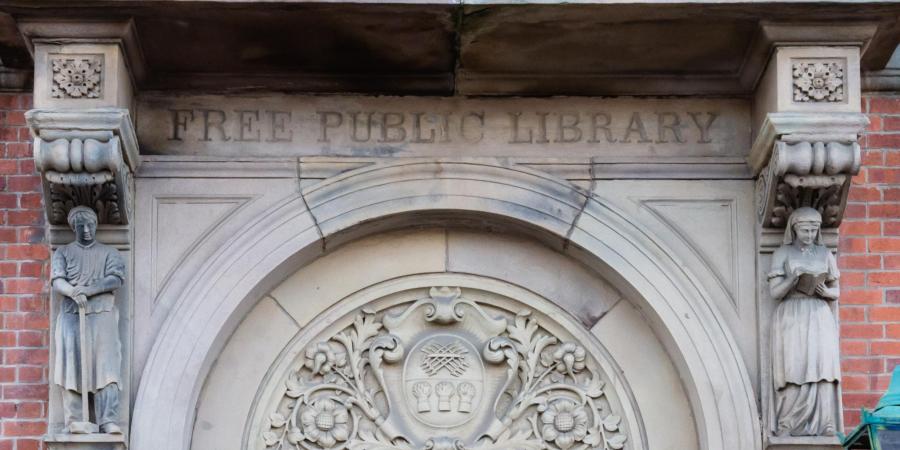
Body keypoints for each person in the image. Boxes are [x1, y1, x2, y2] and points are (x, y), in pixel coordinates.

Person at [768, 207, 841, 436]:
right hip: (792, 314)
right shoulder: (782, 254)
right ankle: (789, 422)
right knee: (794, 366)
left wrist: (826, 292)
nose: (810, 235)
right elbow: (774, 292)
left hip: (819, 314)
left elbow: (836, 290)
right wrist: (791, 280)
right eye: (805, 230)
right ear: (794, 229)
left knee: (822, 365)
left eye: (813, 230)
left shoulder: (825, 254)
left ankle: (825, 422)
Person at [51, 206, 124, 434]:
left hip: (102, 314)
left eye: (90, 225)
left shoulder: (109, 253)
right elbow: (57, 280)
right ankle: (74, 418)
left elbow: (115, 279)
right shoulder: (63, 252)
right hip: (72, 314)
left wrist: (88, 290)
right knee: (71, 365)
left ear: (96, 225)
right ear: (74, 228)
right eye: (80, 226)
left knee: (106, 366)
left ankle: (107, 419)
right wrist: (73, 292)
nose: (86, 230)